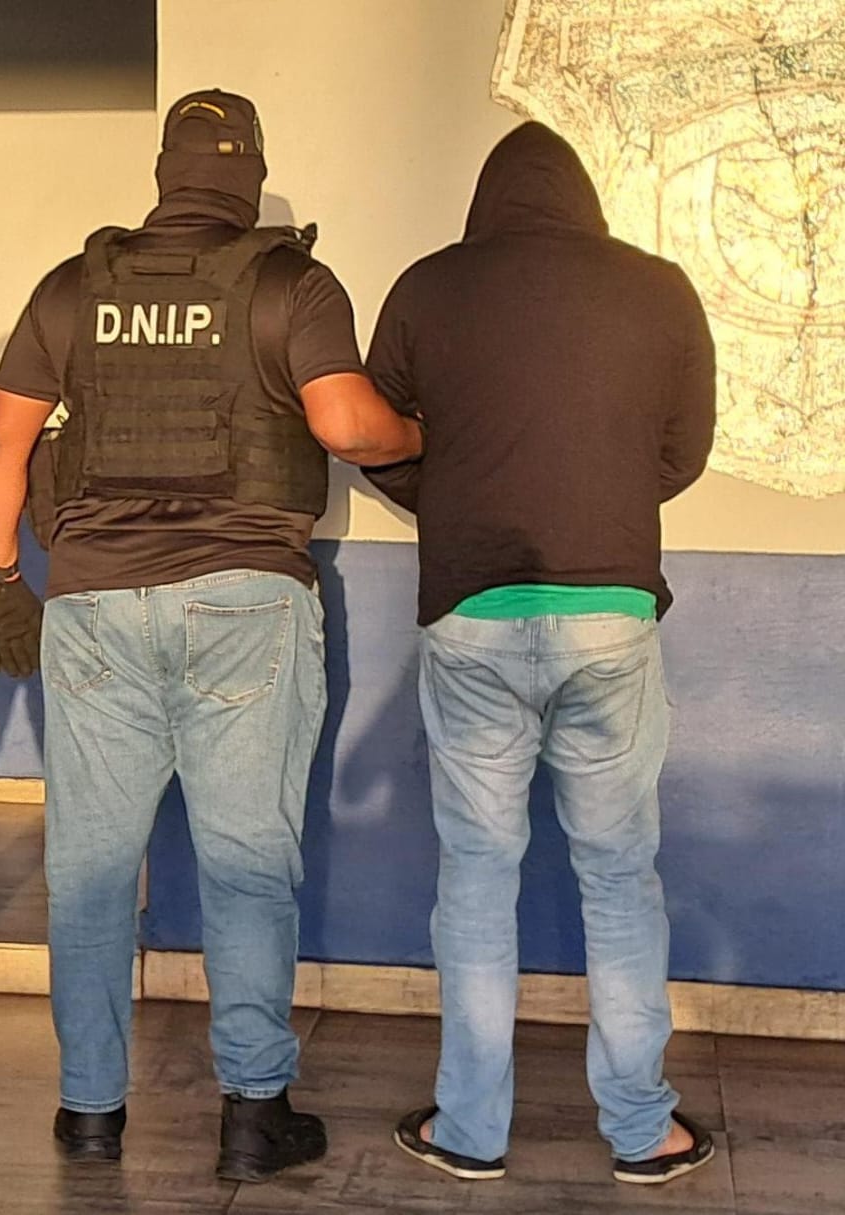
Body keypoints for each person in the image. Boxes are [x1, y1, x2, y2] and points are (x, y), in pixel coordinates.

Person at [0, 89, 424, 1181]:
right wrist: (420, 433)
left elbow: (1, 446)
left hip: (92, 604)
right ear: (248, 179)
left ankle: (90, 1112)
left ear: (163, 176)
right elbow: (345, 424)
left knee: (89, 869)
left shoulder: (75, 285)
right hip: (244, 601)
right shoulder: (290, 282)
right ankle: (252, 1112)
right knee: (247, 862)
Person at [364, 121, 717, 1185]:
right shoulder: (659, 288)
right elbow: (681, 453)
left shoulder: (428, 285)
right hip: (611, 612)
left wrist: (454, 498)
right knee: (619, 876)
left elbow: (377, 436)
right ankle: (640, 1129)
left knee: (476, 875)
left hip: (470, 612)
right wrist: (600, 494)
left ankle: (469, 1129)